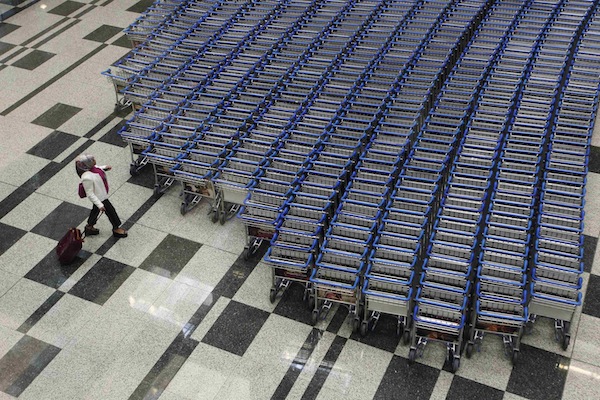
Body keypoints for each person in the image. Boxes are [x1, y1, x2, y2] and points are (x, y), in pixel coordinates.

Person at [75, 154, 128, 238]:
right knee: (111, 212)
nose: (94, 160)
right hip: (100, 197)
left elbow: (97, 168)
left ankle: (90, 226)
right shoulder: (87, 177)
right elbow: (90, 193)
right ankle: (116, 228)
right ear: (87, 164)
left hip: (101, 194)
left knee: (95, 211)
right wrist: (99, 204)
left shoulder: (93, 168)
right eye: (92, 160)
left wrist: (104, 167)